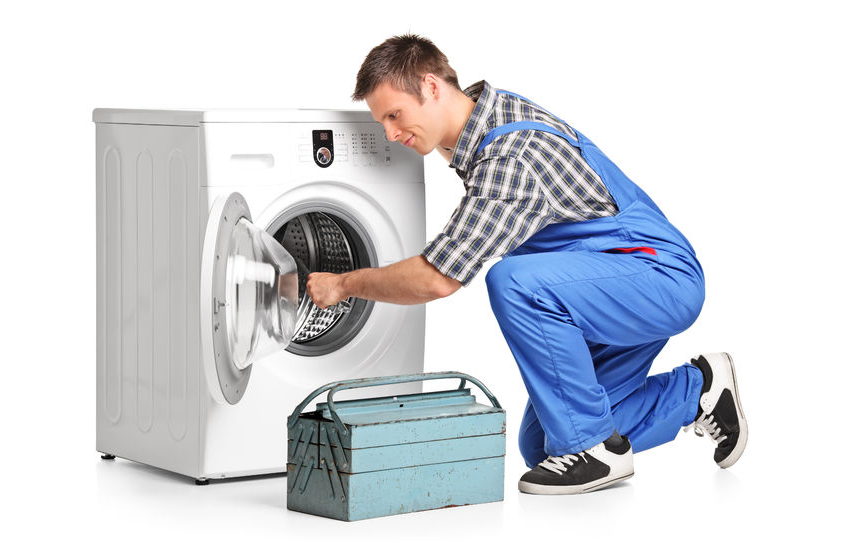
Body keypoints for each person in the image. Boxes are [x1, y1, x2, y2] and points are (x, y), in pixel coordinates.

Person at [306, 34, 748, 495]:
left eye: (394, 115)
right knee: (544, 448)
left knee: (515, 283)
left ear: (431, 86)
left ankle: (597, 448)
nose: (391, 134)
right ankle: (699, 390)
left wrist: (343, 284)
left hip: (656, 280)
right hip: (603, 292)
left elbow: (436, 279)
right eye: (382, 123)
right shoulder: (486, 116)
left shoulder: (509, 160)